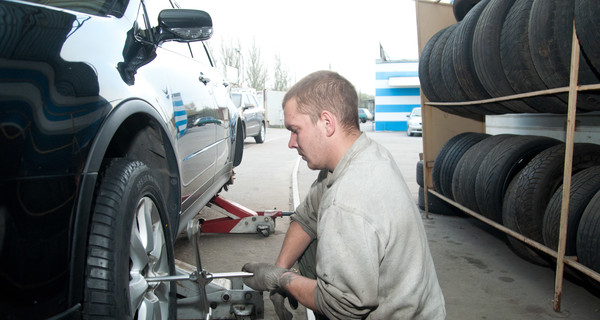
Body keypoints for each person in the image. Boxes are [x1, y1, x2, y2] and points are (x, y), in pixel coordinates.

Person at [242, 70, 445, 319]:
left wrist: (282, 280)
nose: (291, 143)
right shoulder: (362, 153)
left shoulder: (349, 200)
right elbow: (307, 217)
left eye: (295, 130)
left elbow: (341, 306)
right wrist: (281, 267)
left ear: (327, 123)